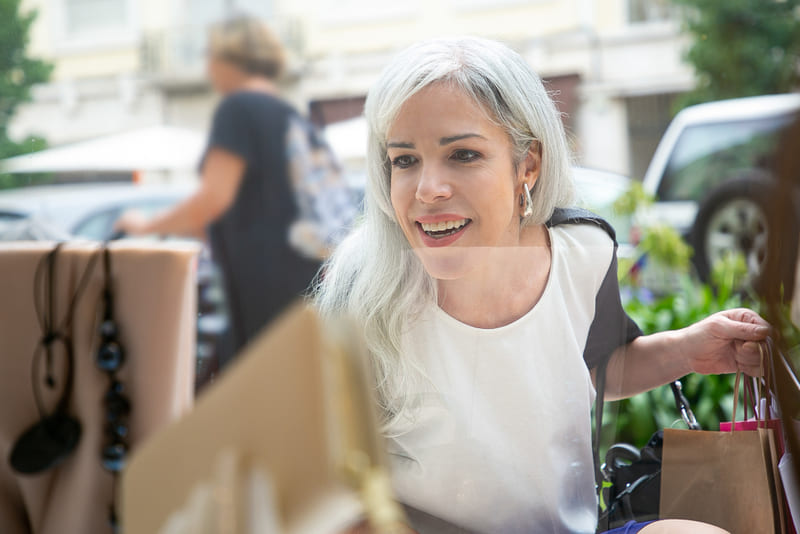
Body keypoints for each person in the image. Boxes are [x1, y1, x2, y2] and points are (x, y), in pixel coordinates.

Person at [314, 37, 769, 534]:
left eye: (463, 154)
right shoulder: (366, 293)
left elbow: (596, 367)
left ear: (527, 164)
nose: (428, 189)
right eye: (404, 160)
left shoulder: (583, 252)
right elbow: (327, 486)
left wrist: (690, 349)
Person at [117, 15, 343, 362]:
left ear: (227, 57)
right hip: (304, 284)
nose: (208, 68)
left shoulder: (239, 108)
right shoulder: (291, 116)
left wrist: (143, 226)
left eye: (209, 56)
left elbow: (213, 199)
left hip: (262, 290)